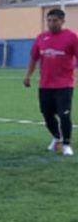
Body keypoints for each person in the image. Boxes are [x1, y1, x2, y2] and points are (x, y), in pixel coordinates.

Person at [25, 8, 76, 156]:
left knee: (64, 114)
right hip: (45, 84)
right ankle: (57, 137)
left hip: (64, 84)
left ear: (62, 21)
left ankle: (66, 144)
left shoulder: (71, 37)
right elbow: (34, 58)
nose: (51, 23)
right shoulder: (41, 38)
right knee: (47, 114)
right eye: (49, 20)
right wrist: (28, 76)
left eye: (55, 20)